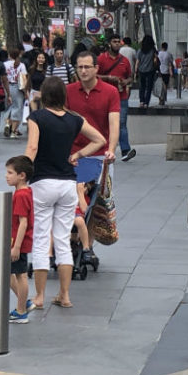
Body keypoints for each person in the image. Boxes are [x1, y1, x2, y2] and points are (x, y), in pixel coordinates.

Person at [25, 77, 106, 310]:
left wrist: (22, 171)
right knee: (62, 239)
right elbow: (99, 140)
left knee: (42, 238)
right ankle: (65, 295)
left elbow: (32, 147)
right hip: (68, 183)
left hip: (42, 182)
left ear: (45, 96)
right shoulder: (74, 119)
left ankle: (39, 296)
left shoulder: (37, 118)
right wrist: (78, 155)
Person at [66, 51, 120, 269]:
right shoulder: (69, 91)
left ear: (97, 68)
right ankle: (71, 241)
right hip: (72, 155)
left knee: (96, 204)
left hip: (100, 155)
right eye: (79, 67)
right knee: (73, 201)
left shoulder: (110, 92)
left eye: (87, 67)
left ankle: (87, 246)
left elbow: (114, 123)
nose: (83, 71)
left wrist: (112, 149)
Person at [98, 34, 136, 162]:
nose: (117, 44)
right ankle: (103, 148)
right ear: (109, 43)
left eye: (118, 42)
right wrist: (108, 78)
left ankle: (125, 150)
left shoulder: (124, 60)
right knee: (103, 123)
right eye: (114, 42)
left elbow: (131, 77)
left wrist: (126, 81)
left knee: (122, 123)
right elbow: (95, 75)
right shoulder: (102, 59)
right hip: (104, 96)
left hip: (121, 96)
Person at [6, 155, 34, 324]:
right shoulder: (23, 192)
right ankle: (24, 303)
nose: (6, 176)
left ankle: (21, 310)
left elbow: (23, 222)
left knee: (20, 275)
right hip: (17, 240)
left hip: (19, 242)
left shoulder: (20, 195)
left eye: (10, 173)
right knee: (11, 273)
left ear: (21, 175)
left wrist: (16, 247)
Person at [4, 49, 27, 138]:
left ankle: (7, 124)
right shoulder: (21, 65)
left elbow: (2, 77)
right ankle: (13, 131)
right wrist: (26, 92)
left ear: (10, 55)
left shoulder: (5, 64)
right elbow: (24, 78)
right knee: (17, 108)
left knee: (8, 107)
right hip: (18, 88)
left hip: (7, 87)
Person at [136, 35, 157, 108]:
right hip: (150, 71)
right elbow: (155, 60)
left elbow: (138, 61)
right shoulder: (153, 50)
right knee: (149, 87)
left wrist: (136, 71)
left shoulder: (140, 50)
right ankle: (146, 103)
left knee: (142, 86)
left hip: (141, 71)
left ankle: (141, 101)